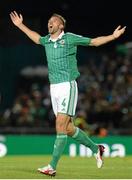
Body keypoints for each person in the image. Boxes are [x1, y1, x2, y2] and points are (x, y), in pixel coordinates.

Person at [10, 11, 126, 177]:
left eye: (53, 21)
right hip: (54, 88)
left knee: (60, 125)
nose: (50, 23)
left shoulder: (69, 38)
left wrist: (113, 37)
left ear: (61, 26)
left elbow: (93, 42)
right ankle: (96, 148)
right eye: (49, 21)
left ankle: (52, 166)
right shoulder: (47, 41)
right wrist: (20, 25)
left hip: (67, 86)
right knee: (69, 128)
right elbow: (36, 37)